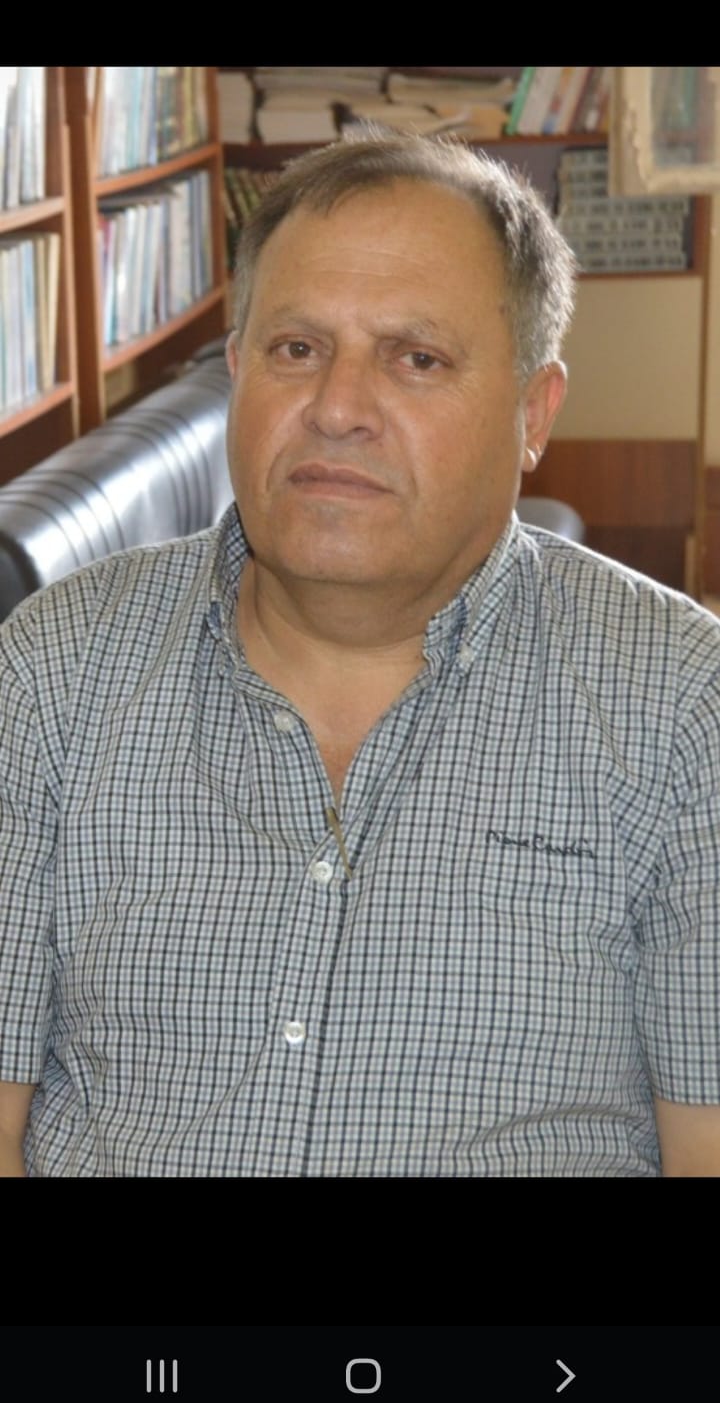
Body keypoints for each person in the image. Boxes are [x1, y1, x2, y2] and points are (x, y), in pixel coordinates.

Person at [1, 128, 719, 1179]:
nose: (337, 409)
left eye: (416, 359)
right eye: (297, 350)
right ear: (238, 370)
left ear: (533, 413)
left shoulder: (681, 705)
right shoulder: (52, 672)